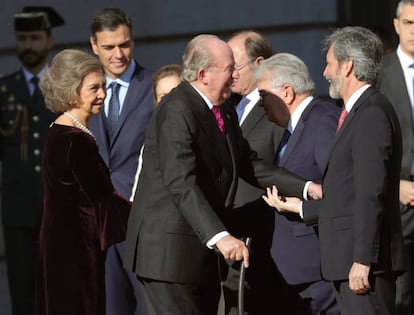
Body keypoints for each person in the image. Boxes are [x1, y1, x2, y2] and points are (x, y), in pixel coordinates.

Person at [123, 33, 322, 315]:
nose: (235, 76)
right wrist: (220, 236)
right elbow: (182, 182)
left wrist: (305, 188)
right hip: (168, 255)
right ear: (204, 74)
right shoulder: (177, 109)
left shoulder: (223, 110)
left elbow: (248, 164)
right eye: (230, 69)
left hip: (199, 255)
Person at [263, 26, 406, 315]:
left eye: (329, 63)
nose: (325, 72)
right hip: (347, 263)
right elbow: (348, 191)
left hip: (363, 267)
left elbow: (370, 191)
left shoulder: (371, 113)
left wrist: (363, 259)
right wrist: (303, 208)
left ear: (348, 65)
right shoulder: (358, 112)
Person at [35, 48, 131, 315]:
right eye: (93, 88)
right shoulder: (75, 139)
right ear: (70, 90)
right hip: (74, 250)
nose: (102, 94)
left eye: (103, 86)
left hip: (59, 242)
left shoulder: (59, 130)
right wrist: (145, 215)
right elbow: (101, 198)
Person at [254, 52, 340, 314]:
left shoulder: (322, 118)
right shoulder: (295, 126)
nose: (261, 105)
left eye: (263, 95)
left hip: (315, 268)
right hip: (295, 269)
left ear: (287, 92)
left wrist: (298, 206)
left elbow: (337, 187)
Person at [88, 8, 154, 315]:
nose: (118, 54)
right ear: (93, 46)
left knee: (149, 307)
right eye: (109, 47)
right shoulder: (83, 93)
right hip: (98, 225)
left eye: (124, 44)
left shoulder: (154, 88)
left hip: (143, 222)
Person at [0, 6, 64, 315]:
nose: (28, 45)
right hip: (19, 213)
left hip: (60, 211)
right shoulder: (3, 90)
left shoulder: (63, 89)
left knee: (61, 294)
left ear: (49, 41)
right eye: (22, 38)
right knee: (23, 296)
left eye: (34, 38)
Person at [222, 30, 284, 315]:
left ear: (259, 63)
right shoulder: (231, 108)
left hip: (262, 239)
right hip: (232, 236)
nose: (229, 74)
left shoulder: (276, 110)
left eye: (235, 66)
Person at [378, 1, 414, 313]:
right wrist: (394, 184)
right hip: (399, 196)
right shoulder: (380, 74)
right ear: (396, 25)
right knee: (403, 294)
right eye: (409, 23)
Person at [130, 63, 182, 201]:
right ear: (155, 101)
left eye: (175, 94)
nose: (170, 102)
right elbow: (139, 188)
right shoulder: (153, 138)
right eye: (163, 97)